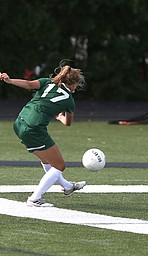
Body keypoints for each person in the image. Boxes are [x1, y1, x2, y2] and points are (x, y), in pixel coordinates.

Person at [0, 61, 86, 207]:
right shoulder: (69, 100)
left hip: (19, 122)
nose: (77, 87)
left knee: (47, 161)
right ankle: (35, 199)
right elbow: (68, 122)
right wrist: (59, 117)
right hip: (34, 129)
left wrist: (9, 80)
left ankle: (67, 187)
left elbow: (27, 84)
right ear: (72, 84)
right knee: (59, 166)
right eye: (77, 84)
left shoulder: (47, 82)